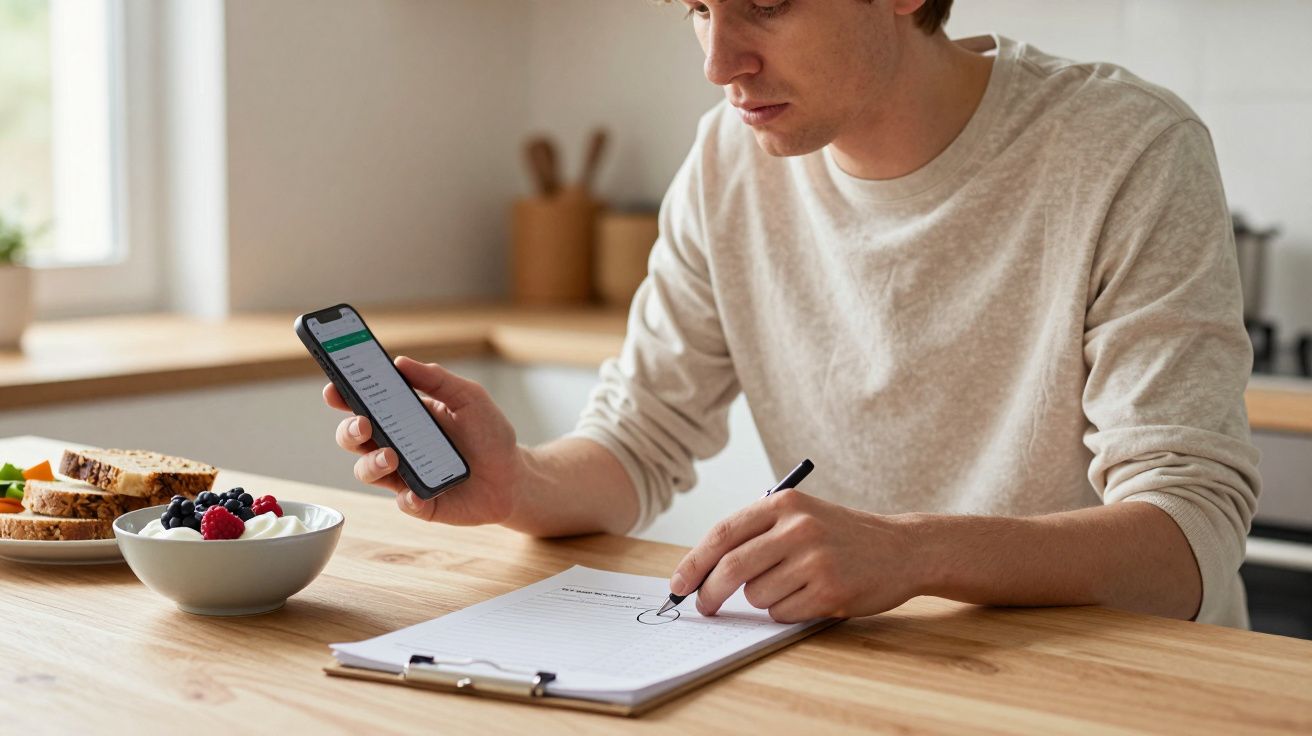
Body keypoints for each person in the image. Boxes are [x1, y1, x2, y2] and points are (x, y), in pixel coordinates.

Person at [325, 0, 1260, 628]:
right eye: (697, 5)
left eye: (764, 0)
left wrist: (913, 551)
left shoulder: (1128, 148)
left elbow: (1191, 540)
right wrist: (518, 483)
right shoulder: (727, 162)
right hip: (872, 681)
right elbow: (641, 439)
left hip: (1110, 688)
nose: (718, 61)